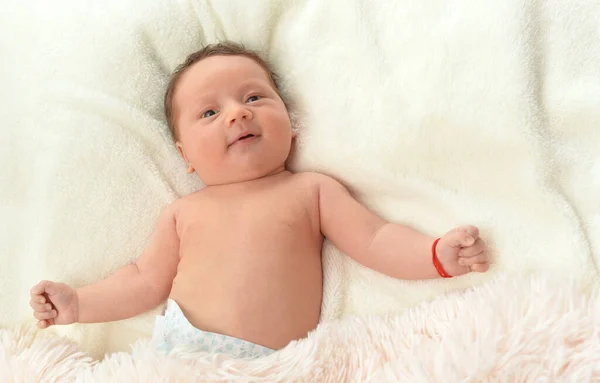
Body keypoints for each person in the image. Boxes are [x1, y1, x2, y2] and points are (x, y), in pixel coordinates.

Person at [30, 42, 489, 359]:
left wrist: (434, 255)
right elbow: (144, 280)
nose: (238, 112)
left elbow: (374, 237)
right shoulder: (183, 213)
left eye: (254, 96)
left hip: (279, 366)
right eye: (210, 112)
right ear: (185, 155)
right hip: (182, 358)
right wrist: (79, 305)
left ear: (291, 125)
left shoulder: (310, 190)